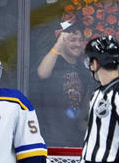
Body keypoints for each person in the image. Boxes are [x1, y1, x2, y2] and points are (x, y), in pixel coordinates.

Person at [34, 19, 92, 147]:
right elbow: (42, 73)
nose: (77, 44)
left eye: (80, 40)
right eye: (72, 40)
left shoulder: (83, 70)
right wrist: (58, 45)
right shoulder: (53, 61)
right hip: (52, 140)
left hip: (77, 141)